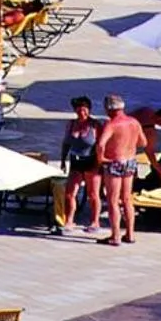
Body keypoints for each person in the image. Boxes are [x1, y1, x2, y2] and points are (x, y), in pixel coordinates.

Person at [99, 94, 145, 244]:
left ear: (108, 109)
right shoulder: (134, 122)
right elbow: (143, 142)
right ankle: (130, 234)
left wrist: (101, 158)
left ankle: (116, 236)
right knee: (127, 199)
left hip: (115, 161)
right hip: (130, 161)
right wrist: (128, 144)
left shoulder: (111, 124)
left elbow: (100, 144)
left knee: (113, 200)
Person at [61, 96, 103, 233]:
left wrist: (100, 163)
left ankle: (95, 222)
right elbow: (66, 143)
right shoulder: (71, 124)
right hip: (75, 161)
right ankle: (69, 221)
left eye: (84, 110)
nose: (82, 113)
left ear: (89, 110)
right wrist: (63, 160)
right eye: (79, 110)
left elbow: (101, 145)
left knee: (93, 194)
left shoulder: (95, 125)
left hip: (91, 162)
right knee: (69, 194)